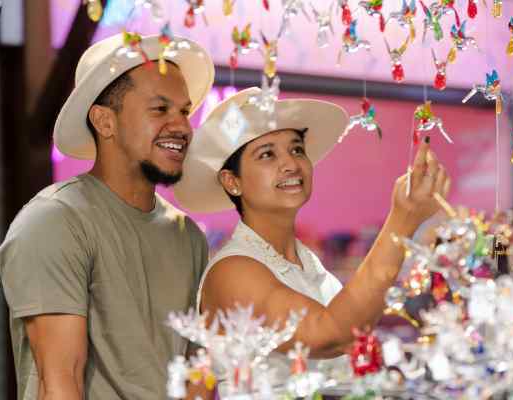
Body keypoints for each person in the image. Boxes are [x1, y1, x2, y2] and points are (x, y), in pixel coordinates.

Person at [174, 88, 451, 390]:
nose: (291, 164)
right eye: (267, 154)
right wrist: (402, 220)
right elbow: (330, 333)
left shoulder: (308, 264)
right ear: (232, 181)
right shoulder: (233, 270)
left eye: (296, 149)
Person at [0, 33, 215, 400]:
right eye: (160, 109)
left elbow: (197, 378)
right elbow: (60, 382)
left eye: (184, 110)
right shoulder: (55, 221)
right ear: (104, 121)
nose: (182, 126)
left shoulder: (187, 235)